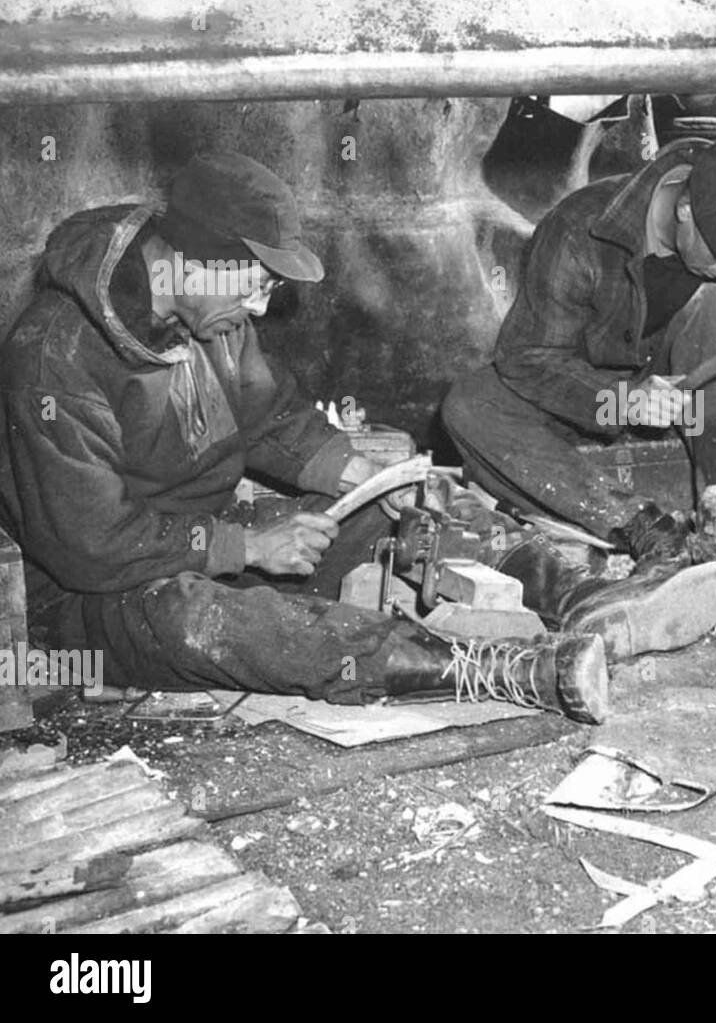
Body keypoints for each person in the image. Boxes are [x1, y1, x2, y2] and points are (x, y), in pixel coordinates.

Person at [0, 153, 607, 723]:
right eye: (254, 285)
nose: (260, 309)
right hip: (95, 593)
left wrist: (365, 478)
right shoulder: (54, 356)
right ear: (189, 263)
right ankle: (498, 670)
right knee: (207, 622)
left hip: (201, 537)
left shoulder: (209, 316)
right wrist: (247, 548)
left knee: (386, 521)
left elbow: (271, 418)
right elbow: (91, 545)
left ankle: (584, 597)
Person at [443, 130, 716, 649]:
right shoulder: (577, 231)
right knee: (468, 405)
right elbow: (527, 359)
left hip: (686, 410)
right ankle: (645, 528)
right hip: (584, 398)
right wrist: (622, 397)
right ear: (684, 208)